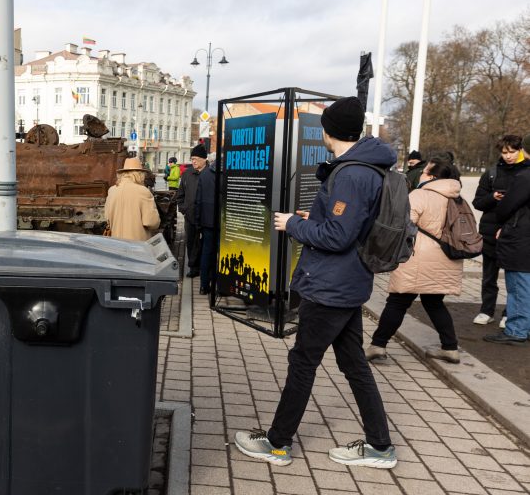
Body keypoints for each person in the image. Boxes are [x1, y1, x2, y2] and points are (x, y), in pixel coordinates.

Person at [234, 96, 396, 469]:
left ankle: (277, 444)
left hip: (330, 286)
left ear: (328, 131)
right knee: (354, 363)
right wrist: (315, 217)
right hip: (346, 283)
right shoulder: (366, 168)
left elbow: (338, 236)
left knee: (304, 361)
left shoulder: (352, 174)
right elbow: (348, 226)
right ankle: (379, 445)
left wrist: (293, 224)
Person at [366, 156, 465, 363]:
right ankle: (450, 347)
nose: (422, 174)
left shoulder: (421, 195)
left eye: (426, 171)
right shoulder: (457, 198)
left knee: (397, 302)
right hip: (446, 258)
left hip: (417, 257)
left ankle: (378, 345)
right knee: (435, 302)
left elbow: (403, 225)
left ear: (433, 176)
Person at [471, 134, 528, 327]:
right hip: (491, 231)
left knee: (513, 279)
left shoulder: (526, 172)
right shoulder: (492, 173)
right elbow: (478, 202)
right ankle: (487, 310)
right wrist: (492, 197)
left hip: (515, 232)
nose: (508, 156)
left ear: (521, 150)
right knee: (489, 276)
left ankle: (508, 313)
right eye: (505, 152)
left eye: (512, 152)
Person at [484, 140, 530, 346]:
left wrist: (504, 220)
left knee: (519, 286)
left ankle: (517, 330)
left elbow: (506, 207)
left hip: (520, 238)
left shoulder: (525, 176)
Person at [105, 157, 160, 241]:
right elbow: (151, 222)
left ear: (122, 174)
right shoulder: (143, 191)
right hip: (136, 244)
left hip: (116, 242)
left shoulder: (112, 190)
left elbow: (107, 217)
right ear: (139, 174)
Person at [175, 144, 207, 278]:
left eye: (196, 158)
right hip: (190, 216)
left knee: (204, 243)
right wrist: (184, 209)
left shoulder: (210, 174)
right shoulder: (187, 174)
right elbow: (180, 194)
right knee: (191, 242)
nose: (193, 161)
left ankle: (204, 268)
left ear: (204, 159)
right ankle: (193, 268)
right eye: (192, 158)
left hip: (206, 217)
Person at [193, 155, 218, 295]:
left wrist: (198, 223)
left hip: (207, 221)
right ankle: (220, 285)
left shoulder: (205, 174)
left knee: (206, 253)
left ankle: (204, 285)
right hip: (225, 222)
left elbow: (198, 200)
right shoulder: (229, 173)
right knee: (222, 254)